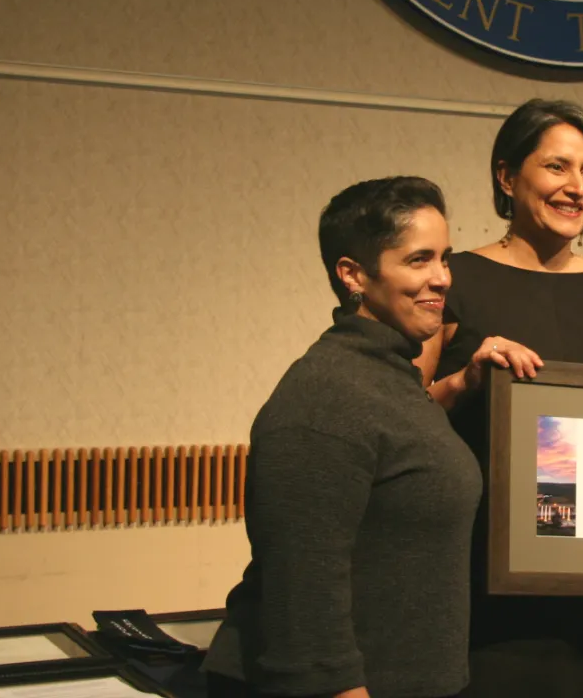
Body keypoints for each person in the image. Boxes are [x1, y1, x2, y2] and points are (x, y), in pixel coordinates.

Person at [415, 99, 583, 698]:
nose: (576, 187)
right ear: (507, 177)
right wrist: (465, 381)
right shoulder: (453, 281)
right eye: (557, 167)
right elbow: (399, 419)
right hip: (464, 584)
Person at [203, 177, 482, 698]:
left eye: (444, 258)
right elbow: (304, 589)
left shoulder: (391, 377)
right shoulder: (324, 395)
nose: (442, 278)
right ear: (353, 274)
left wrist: (466, 384)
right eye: (418, 260)